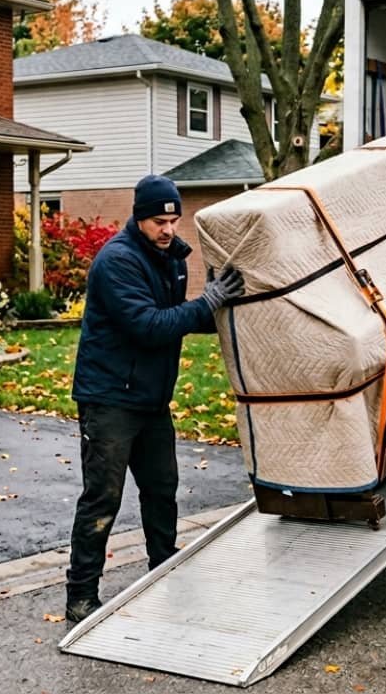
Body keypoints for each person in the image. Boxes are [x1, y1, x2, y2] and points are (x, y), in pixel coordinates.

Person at [65, 174, 245, 623]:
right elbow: (149, 326)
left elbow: (178, 316)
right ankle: (80, 595)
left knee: (162, 490)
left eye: (173, 220)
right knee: (102, 498)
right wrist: (206, 303)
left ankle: (165, 569)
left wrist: (225, 307)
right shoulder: (118, 261)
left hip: (150, 399)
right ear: (139, 218)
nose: (167, 229)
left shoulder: (170, 259)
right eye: (158, 222)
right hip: (110, 399)